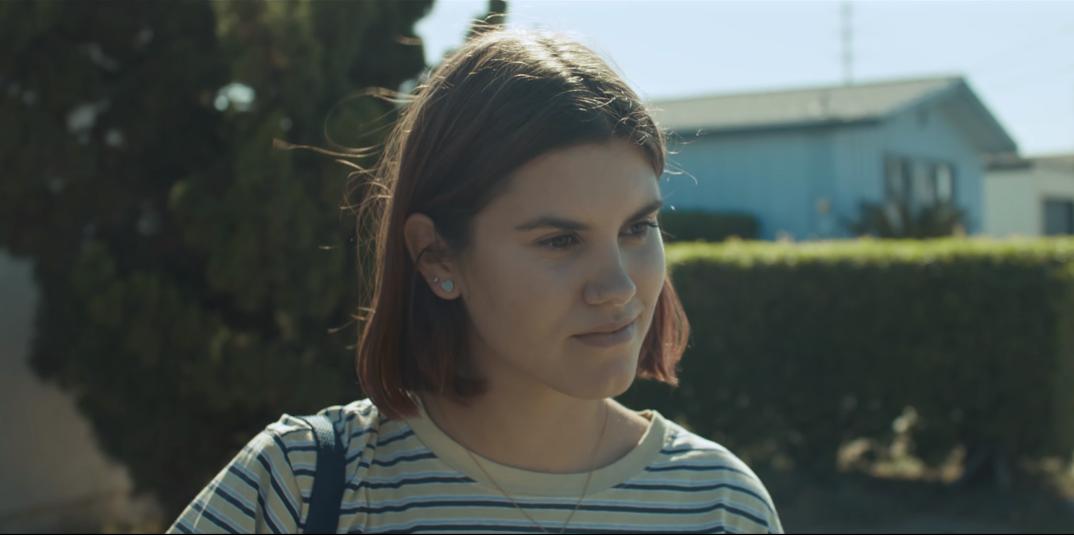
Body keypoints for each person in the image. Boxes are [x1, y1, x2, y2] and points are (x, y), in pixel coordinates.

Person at [167, 27, 783, 534]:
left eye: (637, 228)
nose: (618, 287)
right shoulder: (301, 486)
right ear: (436, 257)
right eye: (560, 240)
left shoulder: (720, 506)